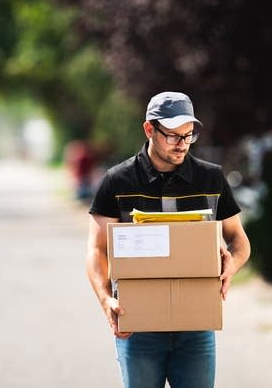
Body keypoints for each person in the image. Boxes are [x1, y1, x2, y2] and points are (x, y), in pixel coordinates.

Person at [86, 91, 251, 387]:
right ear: (150, 129)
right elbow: (96, 251)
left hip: (196, 328)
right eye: (173, 136)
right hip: (138, 329)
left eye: (188, 136)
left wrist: (232, 267)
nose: (182, 145)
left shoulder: (210, 178)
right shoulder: (117, 181)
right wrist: (105, 300)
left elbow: (238, 239)